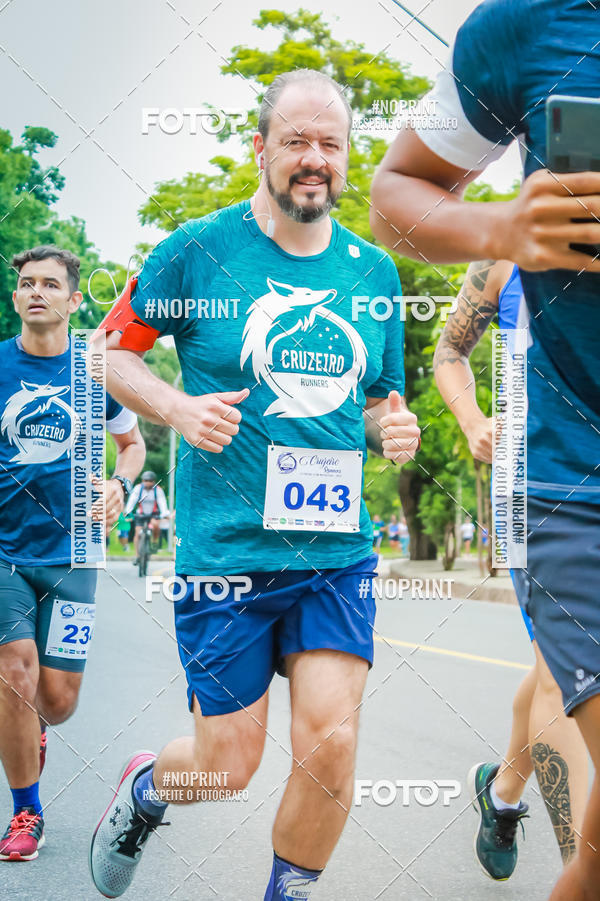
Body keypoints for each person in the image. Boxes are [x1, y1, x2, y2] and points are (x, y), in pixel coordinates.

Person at [87, 68, 421, 900]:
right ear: (261, 147)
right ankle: (146, 790)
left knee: (332, 743)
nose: (315, 158)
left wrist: (395, 426)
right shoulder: (197, 250)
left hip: (333, 553)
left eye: (331, 145)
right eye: (297, 141)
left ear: (348, 157)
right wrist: (174, 407)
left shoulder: (374, 275)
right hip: (225, 551)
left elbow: (379, 403)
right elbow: (107, 350)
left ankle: (289, 889)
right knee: (226, 765)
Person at [371, 5, 600, 896]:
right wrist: (502, 228)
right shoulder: (530, 28)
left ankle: (507, 795)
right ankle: (552, 821)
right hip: (562, 465)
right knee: (549, 683)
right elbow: (445, 348)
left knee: (544, 678)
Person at [435, 259, 588, 877]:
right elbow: (450, 351)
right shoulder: (502, 255)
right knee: (566, 670)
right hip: (536, 485)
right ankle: (582, 865)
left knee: (552, 661)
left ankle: (500, 793)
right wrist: (472, 421)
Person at [0, 246, 144, 862]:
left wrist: (118, 484)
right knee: (14, 670)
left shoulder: (93, 371)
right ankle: (26, 812)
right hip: (4, 551)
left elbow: (132, 446)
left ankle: (32, 736)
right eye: (26, 284)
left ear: (73, 299)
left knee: (55, 702)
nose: (37, 292)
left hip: (76, 553)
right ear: (15, 298)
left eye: (50, 284)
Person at [124, 471, 169, 562]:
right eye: (145, 480)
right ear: (142, 480)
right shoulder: (138, 488)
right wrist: (128, 511)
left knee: (156, 525)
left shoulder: (158, 490)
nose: (147, 482)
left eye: (150, 480)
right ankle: (137, 556)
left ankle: (155, 542)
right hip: (141, 514)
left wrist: (164, 513)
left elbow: (162, 502)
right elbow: (132, 500)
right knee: (137, 533)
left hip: (153, 514)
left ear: (153, 481)